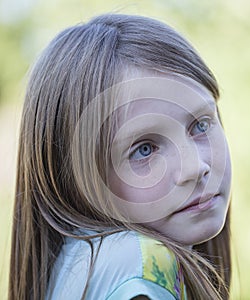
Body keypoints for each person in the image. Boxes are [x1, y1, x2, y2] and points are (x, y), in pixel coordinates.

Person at [8, 14, 232, 300]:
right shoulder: (142, 267)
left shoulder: (76, 264)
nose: (195, 167)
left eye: (200, 125)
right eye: (144, 149)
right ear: (78, 182)